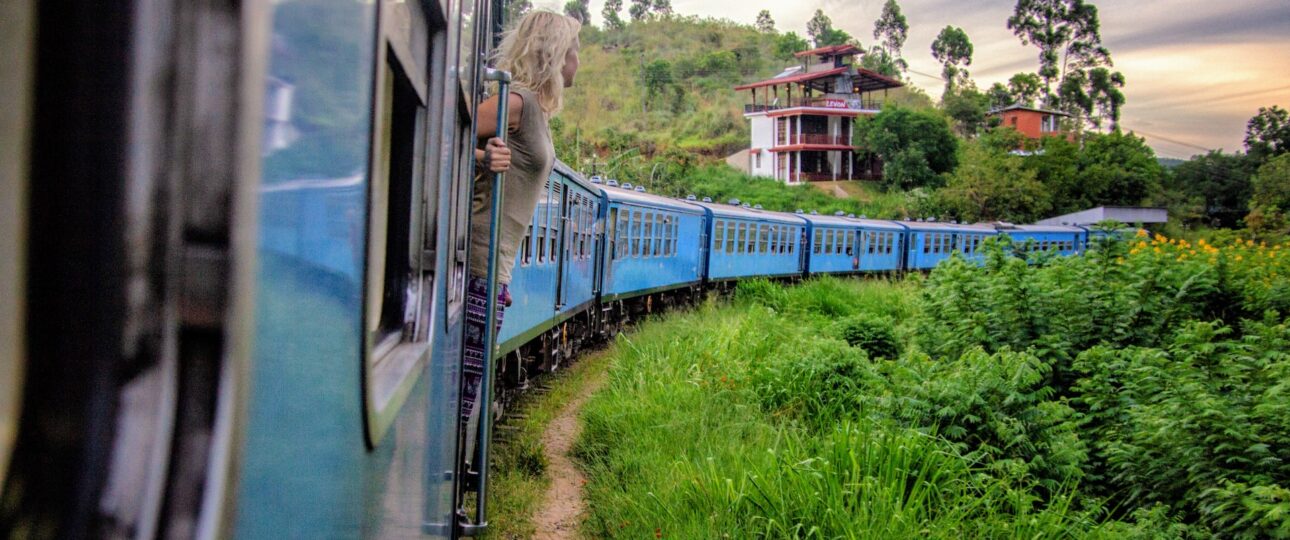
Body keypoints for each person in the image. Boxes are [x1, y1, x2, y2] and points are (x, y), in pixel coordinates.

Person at [462, 10, 581, 458]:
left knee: (470, 386)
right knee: (463, 392)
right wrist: (480, 156)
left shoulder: (534, 111)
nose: (578, 63)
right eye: (575, 52)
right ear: (555, 55)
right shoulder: (519, 103)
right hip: (480, 257)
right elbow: (448, 129)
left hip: (496, 264)